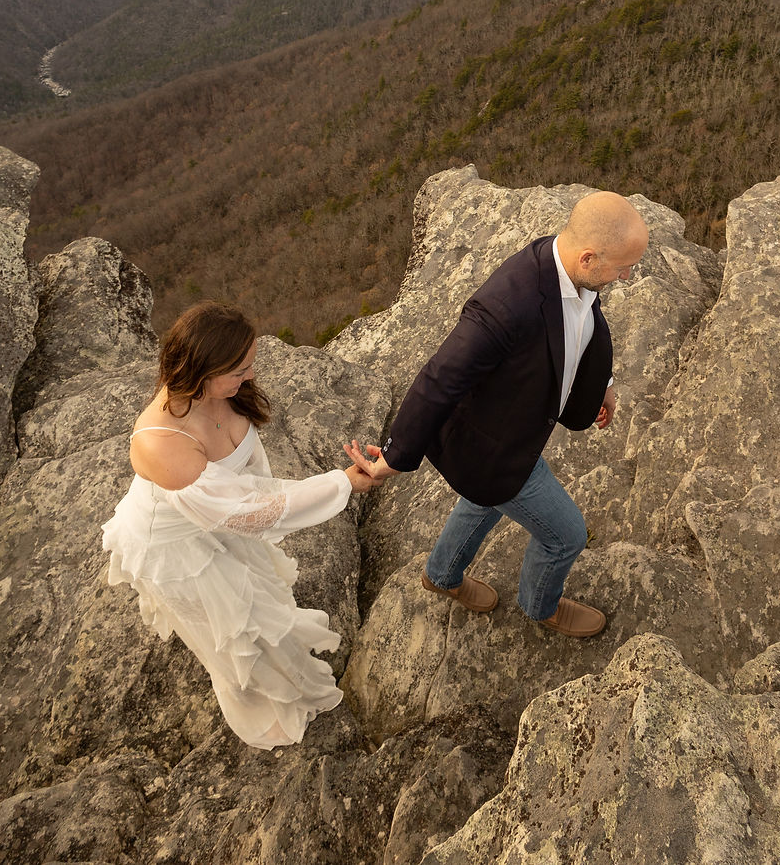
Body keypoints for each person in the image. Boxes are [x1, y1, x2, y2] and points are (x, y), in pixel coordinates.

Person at [348, 191, 649, 638]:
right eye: (622, 267)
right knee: (566, 534)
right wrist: (392, 458)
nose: (626, 276)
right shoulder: (506, 305)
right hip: (496, 447)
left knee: (483, 498)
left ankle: (441, 574)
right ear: (588, 258)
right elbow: (439, 377)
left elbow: (580, 324)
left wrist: (600, 385)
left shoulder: (567, 265)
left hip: (499, 437)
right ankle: (540, 605)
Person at [102, 301, 377, 750]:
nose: (250, 377)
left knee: (257, 609)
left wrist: (335, 483)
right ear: (201, 372)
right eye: (239, 370)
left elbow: (248, 488)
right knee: (233, 640)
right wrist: (340, 485)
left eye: (250, 365)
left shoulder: (218, 393)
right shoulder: (162, 444)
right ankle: (257, 713)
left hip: (216, 522)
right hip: (175, 552)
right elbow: (247, 511)